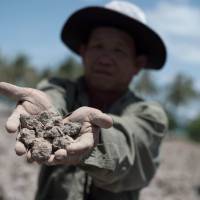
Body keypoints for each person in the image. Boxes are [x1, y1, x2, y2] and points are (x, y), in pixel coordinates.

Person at [0, 1, 168, 200]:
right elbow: (52, 98)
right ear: (83, 51)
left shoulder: (149, 115)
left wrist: (96, 139)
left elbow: (130, 144)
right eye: (98, 46)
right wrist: (45, 115)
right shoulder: (60, 89)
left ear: (137, 64)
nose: (105, 58)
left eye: (119, 50)